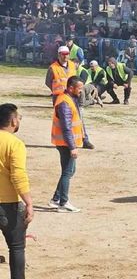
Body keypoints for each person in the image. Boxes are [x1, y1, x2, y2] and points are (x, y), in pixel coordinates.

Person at [0, 103, 34, 279]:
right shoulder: (15, 144)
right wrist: (28, 202)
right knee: (16, 247)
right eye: (19, 118)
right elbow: (18, 175)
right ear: (13, 121)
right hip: (7, 204)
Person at [49, 76, 86, 213]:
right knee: (67, 172)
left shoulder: (69, 98)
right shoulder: (64, 103)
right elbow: (66, 128)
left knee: (69, 171)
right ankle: (63, 203)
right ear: (71, 88)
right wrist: (72, 147)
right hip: (65, 144)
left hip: (65, 142)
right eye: (79, 88)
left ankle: (56, 199)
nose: (81, 91)